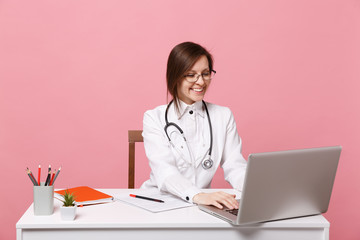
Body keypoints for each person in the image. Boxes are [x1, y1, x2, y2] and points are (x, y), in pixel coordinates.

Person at [141, 42, 247, 210]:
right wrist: (198, 195)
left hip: (203, 206)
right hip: (160, 203)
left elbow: (234, 166)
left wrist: (254, 188)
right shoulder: (154, 118)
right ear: (175, 76)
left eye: (205, 74)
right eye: (191, 75)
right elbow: (165, 172)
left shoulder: (223, 115)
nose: (201, 82)